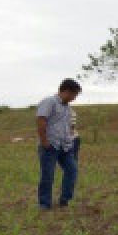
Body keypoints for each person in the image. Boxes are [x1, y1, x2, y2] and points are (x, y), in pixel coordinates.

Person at [36, 79, 81, 210]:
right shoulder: (49, 102)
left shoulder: (67, 108)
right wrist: (44, 141)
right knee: (48, 175)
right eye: (74, 95)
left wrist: (70, 141)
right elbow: (41, 120)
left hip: (65, 146)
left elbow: (68, 126)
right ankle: (44, 204)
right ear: (66, 91)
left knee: (72, 170)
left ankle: (65, 200)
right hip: (50, 145)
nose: (74, 98)